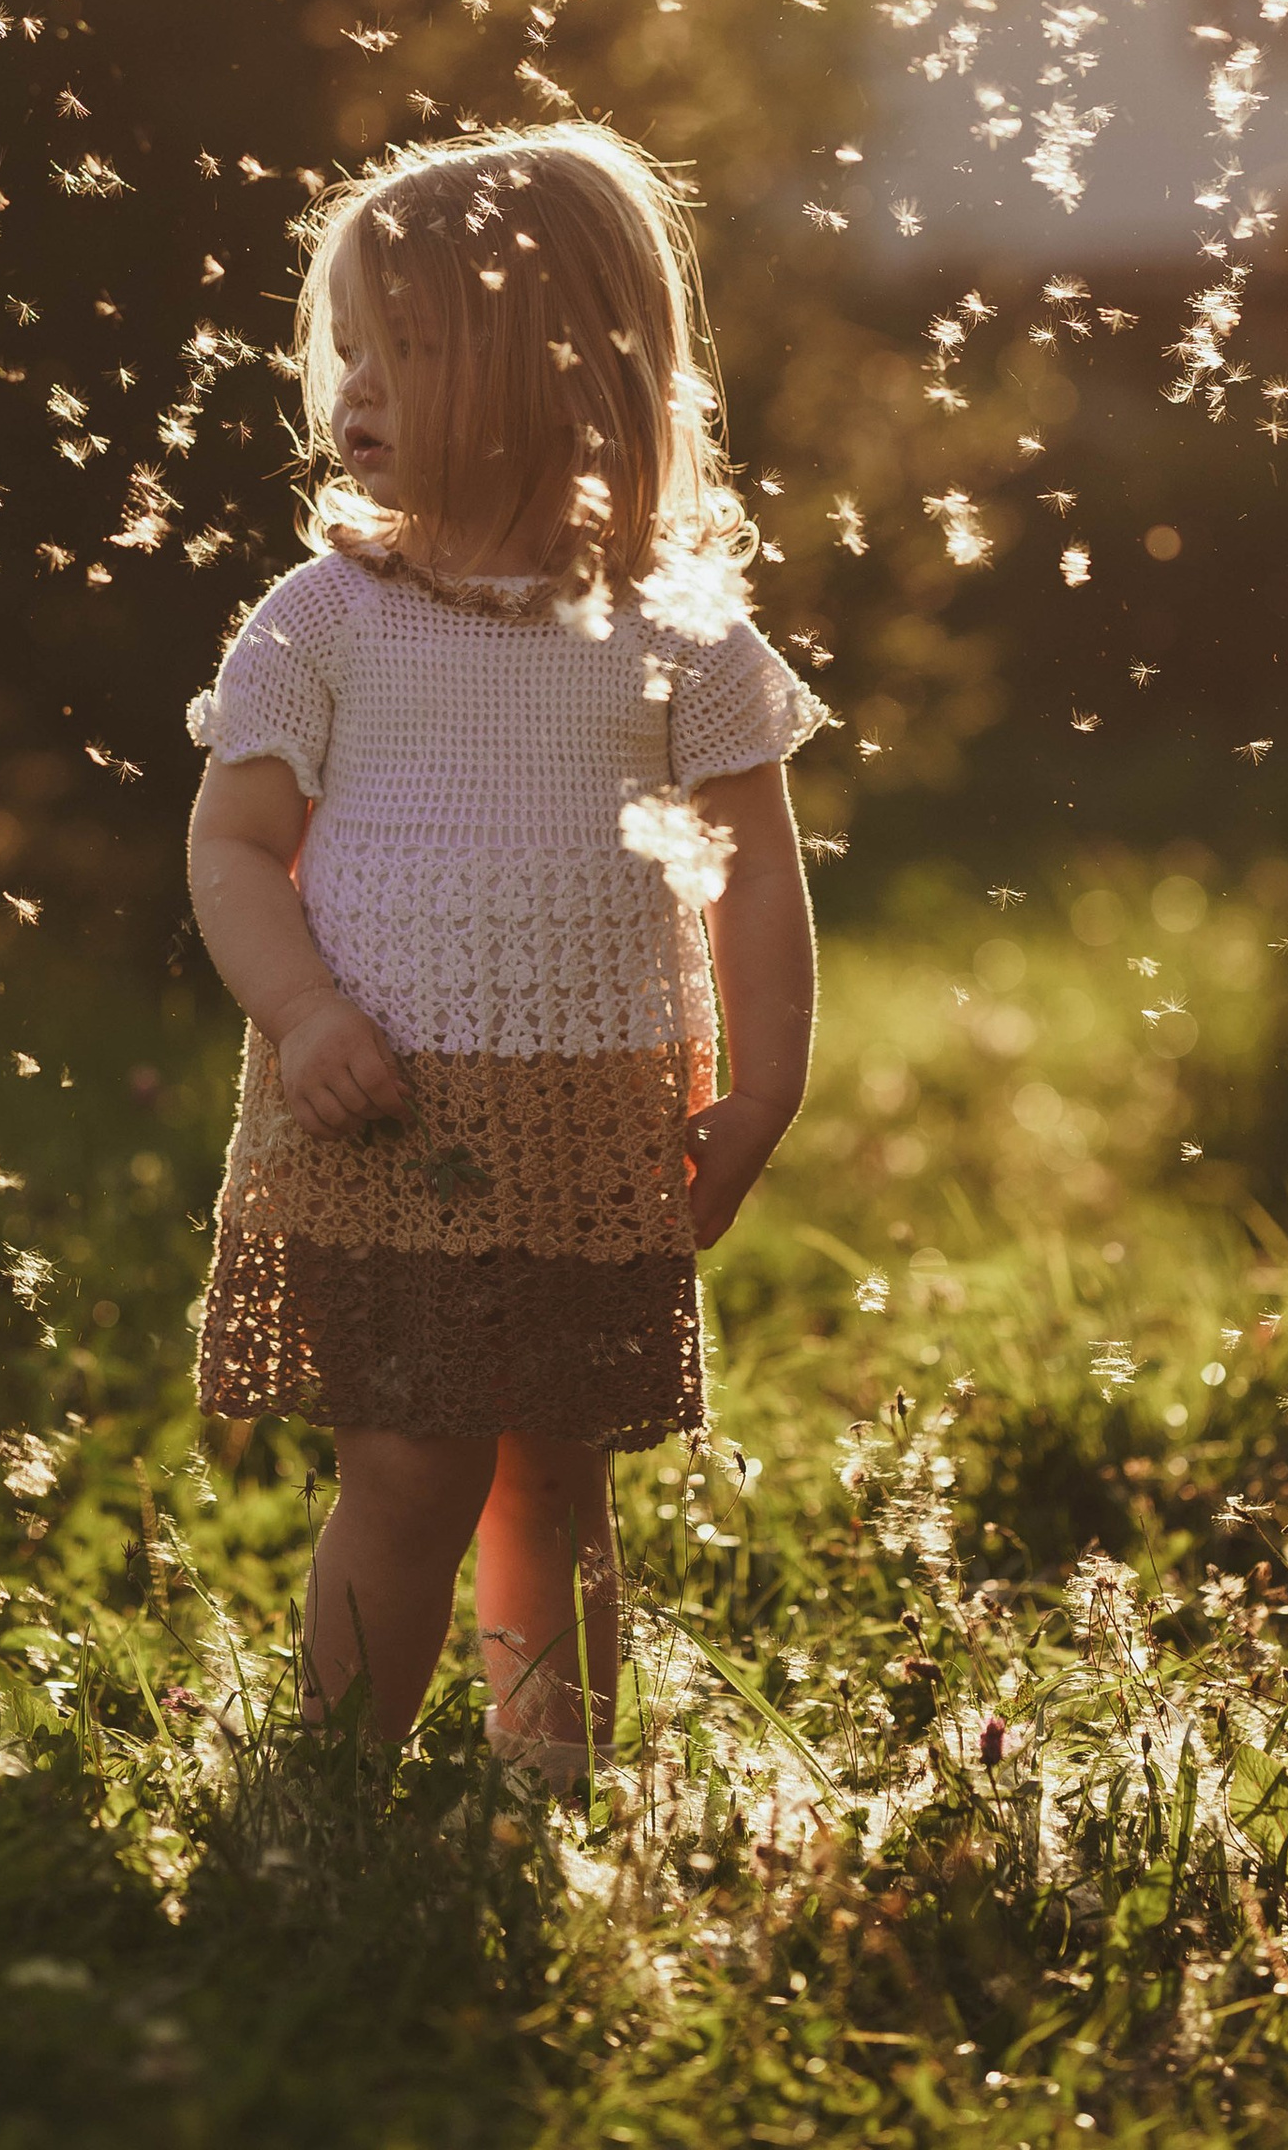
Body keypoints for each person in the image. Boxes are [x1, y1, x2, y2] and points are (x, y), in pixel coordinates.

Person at [185, 120, 823, 1792]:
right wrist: (303, 1009)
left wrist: (761, 1091)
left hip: (597, 1108)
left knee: (558, 1469)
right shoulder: (323, 618)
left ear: (554, 373)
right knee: (407, 1461)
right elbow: (234, 849)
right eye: (349, 352)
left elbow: (755, 875)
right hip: (384, 1105)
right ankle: (336, 1794)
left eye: (402, 351)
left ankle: (552, 1788)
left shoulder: (678, 630)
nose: (353, 389)